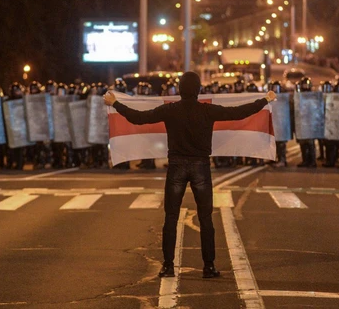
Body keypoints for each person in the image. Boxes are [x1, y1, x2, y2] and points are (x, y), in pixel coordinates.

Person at [103, 71, 275, 279]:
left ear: (180, 90)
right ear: (199, 90)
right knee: (205, 219)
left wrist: (115, 103)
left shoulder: (170, 110)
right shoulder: (207, 111)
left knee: (171, 218)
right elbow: (239, 112)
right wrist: (265, 99)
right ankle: (209, 267)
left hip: (176, 166)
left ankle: (167, 266)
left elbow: (139, 118)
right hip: (201, 166)